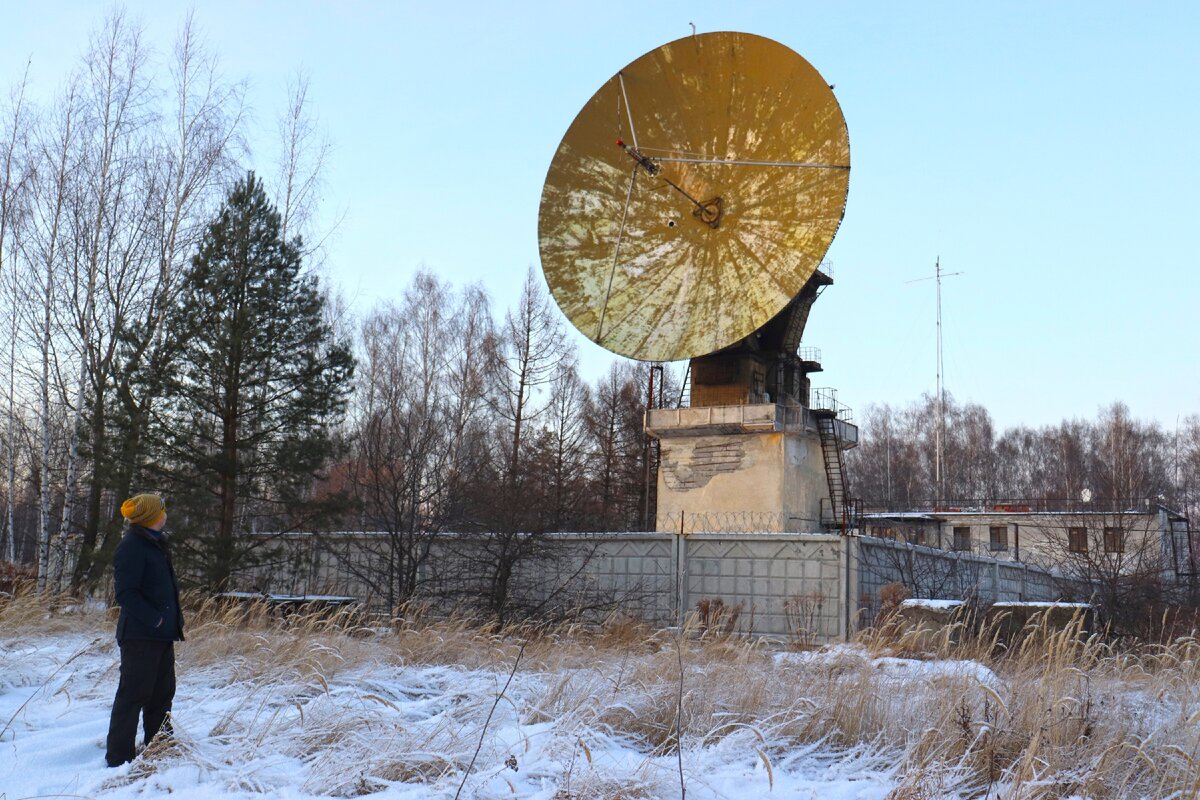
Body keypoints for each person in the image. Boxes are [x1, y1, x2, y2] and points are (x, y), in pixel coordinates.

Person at [105, 493, 185, 768]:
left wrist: (170, 624)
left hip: (161, 636)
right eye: (163, 510)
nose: (167, 513)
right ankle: (119, 757)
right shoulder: (132, 546)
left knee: (163, 693)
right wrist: (155, 620)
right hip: (140, 636)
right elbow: (126, 593)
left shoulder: (156, 543)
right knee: (133, 695)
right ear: (153, 516)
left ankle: (160, 745)